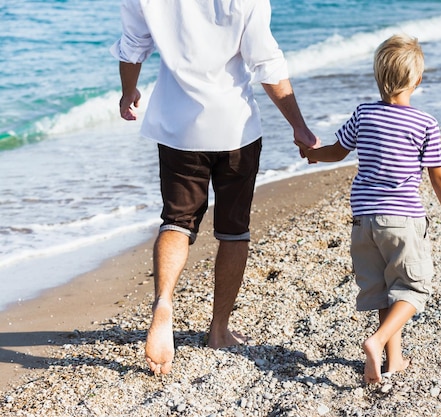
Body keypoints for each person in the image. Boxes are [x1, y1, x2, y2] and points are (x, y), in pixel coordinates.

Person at [110, 0, 318, 376]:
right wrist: (298, 126)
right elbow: (266, 64)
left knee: (176, 221)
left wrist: (128, 92)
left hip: (178, 128)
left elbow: (132, 44)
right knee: (234, 231)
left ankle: (163, 303)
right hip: (234, 129)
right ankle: (218, 330)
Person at [297, 34, 441, 384]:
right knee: (414, 288)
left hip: (364, 221)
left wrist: (313, 153)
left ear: (378, 76)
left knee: (386, 289)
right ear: (417, 80)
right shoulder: (425, 124)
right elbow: (439, 178)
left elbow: (337, 151)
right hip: (402, 220)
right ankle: (375, 342)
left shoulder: (364, 113)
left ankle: (394, 359)